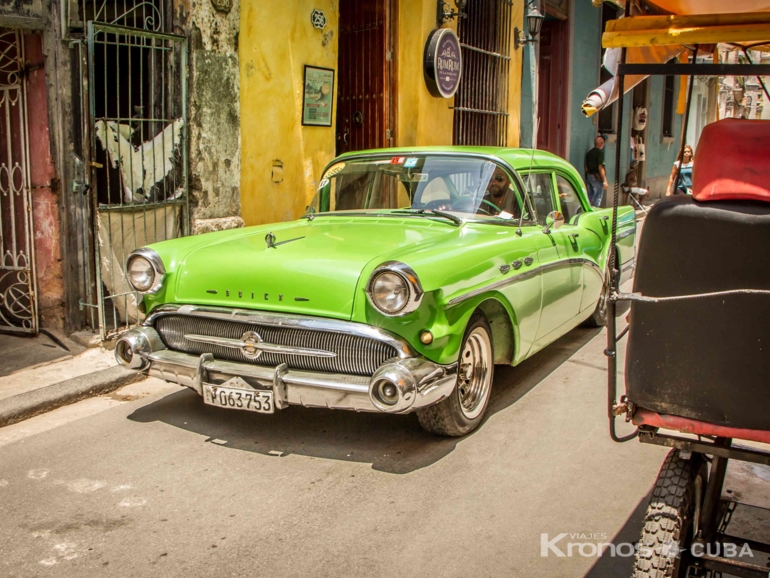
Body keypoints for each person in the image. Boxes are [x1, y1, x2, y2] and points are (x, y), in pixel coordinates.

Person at [584, 136, 608, 207]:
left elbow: (586, 167)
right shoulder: (600, 153)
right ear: (601, 144)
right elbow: (600, 167)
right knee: (597, 197)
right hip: (596, 177)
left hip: (589, 176)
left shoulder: (589, 153)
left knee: (589, 197)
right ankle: (595, 213)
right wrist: (604, 180)